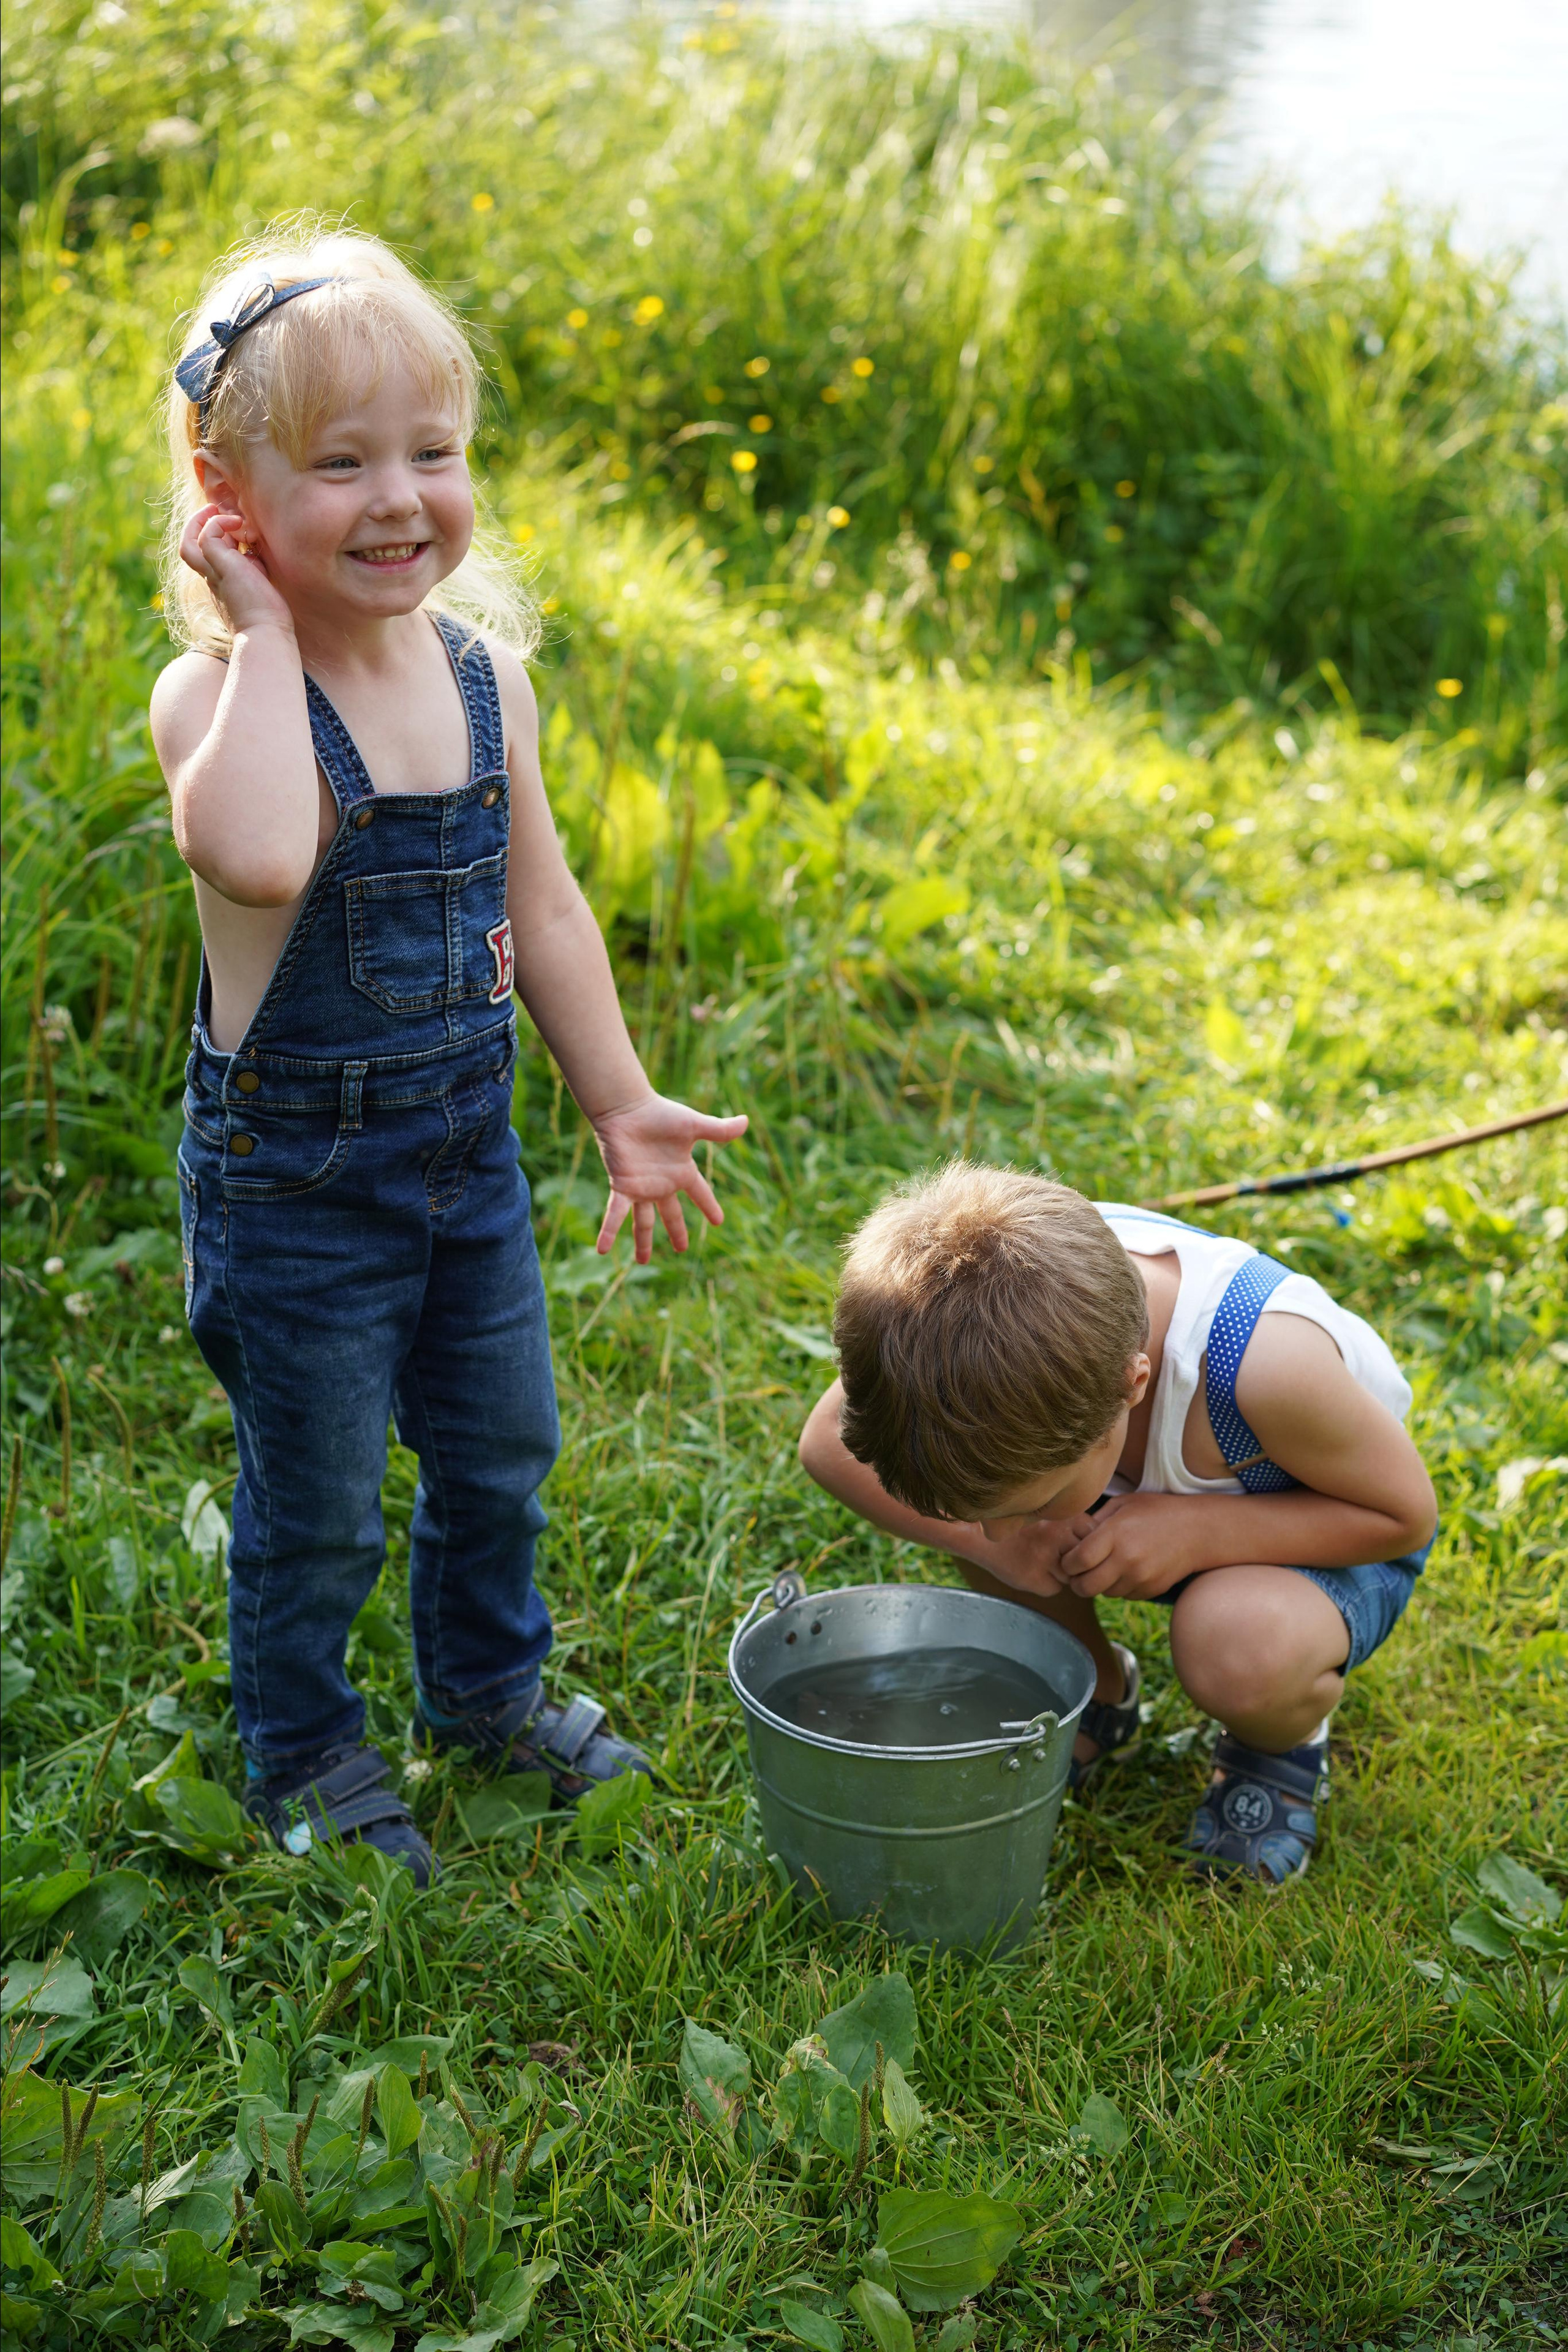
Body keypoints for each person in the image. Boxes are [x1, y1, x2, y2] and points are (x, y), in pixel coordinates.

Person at [150, 227, 746, 1885]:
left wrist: (619, 1102)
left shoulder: (487, 681)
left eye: (435, 452)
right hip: (298, 1194)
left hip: (462, 1170)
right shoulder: (213, 701)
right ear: (230, 496)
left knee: (499, 1454)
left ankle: (486, 1694)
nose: (402, 496)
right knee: (323, 1499)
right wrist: (265, 635)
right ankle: (306, 1748)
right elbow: (264, 861)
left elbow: (541, 907)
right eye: (340, 464)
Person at [799, 1163, 1437, 1885]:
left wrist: (1199, 1533)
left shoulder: (1264, 1368)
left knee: (1236, 1641)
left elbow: (1402, 1516)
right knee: (985, 1511)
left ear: (1133, 1386)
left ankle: (1275, 1744)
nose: (1001, 1539)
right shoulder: (956, 1319)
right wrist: (979, 1532)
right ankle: (1097, 1691)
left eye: (1032, 1507)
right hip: (1127, 1496)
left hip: (1315, 1522)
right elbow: (825, 1442)